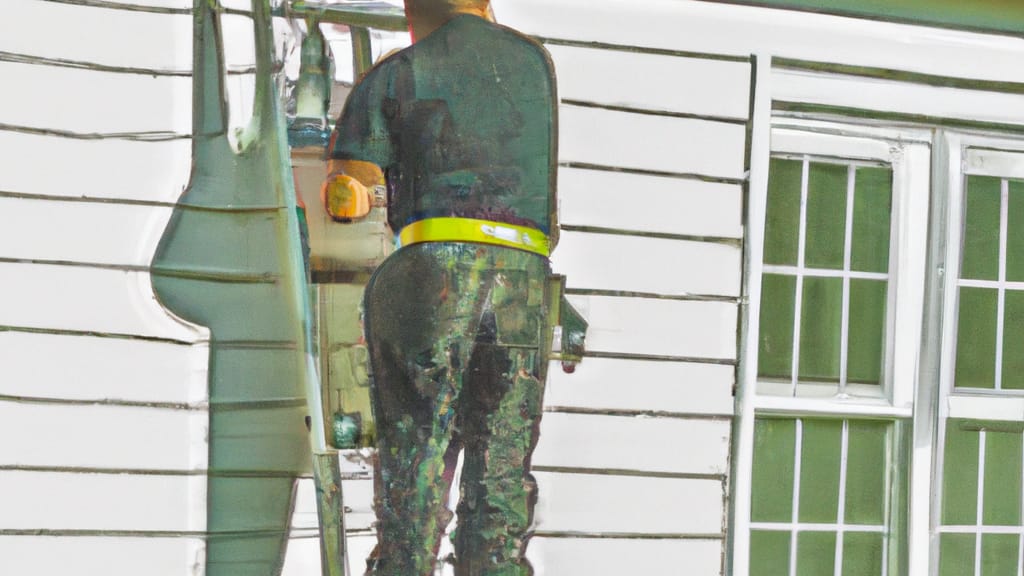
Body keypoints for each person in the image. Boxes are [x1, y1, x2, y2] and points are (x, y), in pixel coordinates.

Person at [322, 1, 578, 574]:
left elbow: (345, 197)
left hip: (434, 274)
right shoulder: (535, 63)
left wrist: (360, 189)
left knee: (416, 471)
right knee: (501, 476)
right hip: (525, 281)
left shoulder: (400, 70)